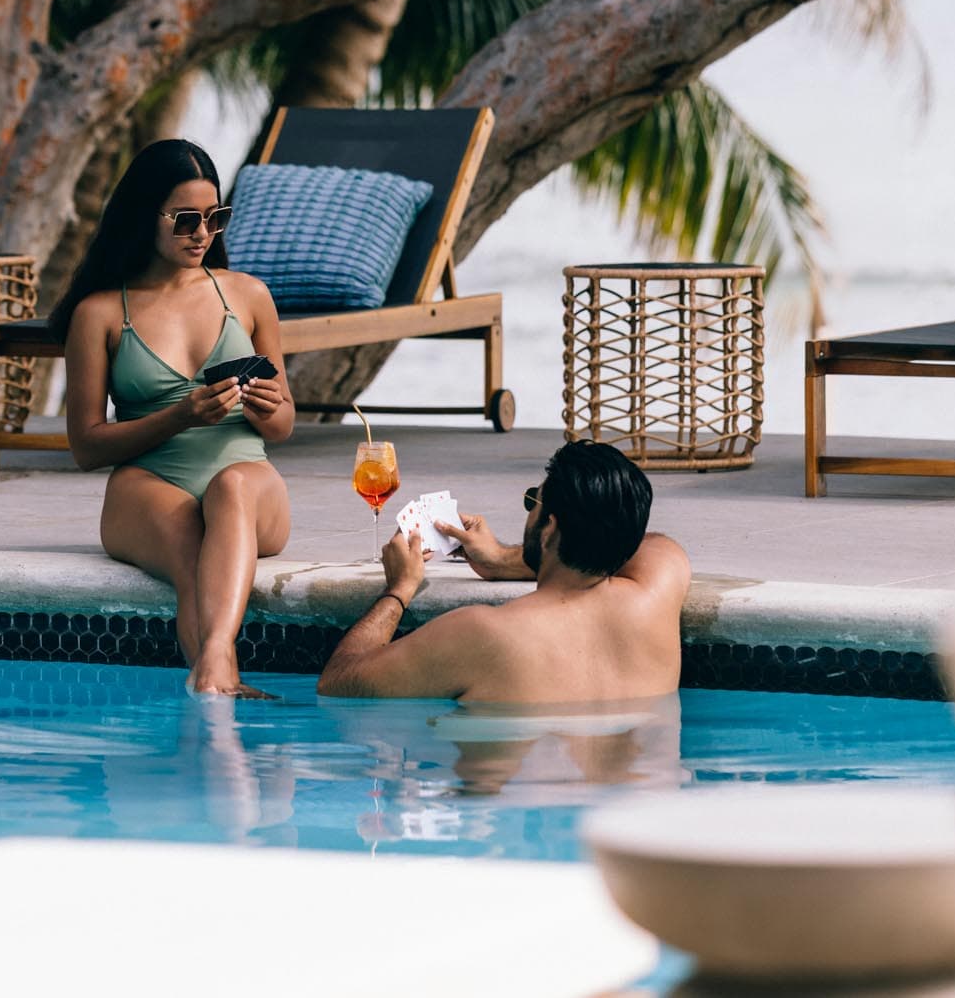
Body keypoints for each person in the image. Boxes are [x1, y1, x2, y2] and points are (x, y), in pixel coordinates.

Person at [54, 139, 295, 696]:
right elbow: (86, 447)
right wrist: (180, 417)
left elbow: (284, 425)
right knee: (190, 552)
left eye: (215, 218)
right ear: (146, 217)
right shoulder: (100, 313)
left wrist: (268, 409)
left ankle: (214, 663)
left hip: (248, 480)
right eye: (186, 220)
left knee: (232, 487)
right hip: (149, 483)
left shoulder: (248, 295)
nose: (202, 234)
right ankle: (217, 678)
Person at [315, 441, 688, 703]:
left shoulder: (481, 634)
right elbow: (639, 541)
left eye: (533, 501)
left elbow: (338, 682)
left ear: (550, 528)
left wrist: (399, 589)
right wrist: (499, 560)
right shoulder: (658, 591)